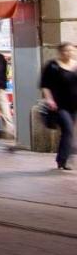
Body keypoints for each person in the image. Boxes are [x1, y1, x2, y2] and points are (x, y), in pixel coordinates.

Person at [40, 42, 77, 171]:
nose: (69, 53)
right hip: (59, 105)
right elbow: (45, 85)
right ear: (60, 52)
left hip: (74, 105)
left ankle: (62, 158)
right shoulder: (52, 66)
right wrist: (49, 100)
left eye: (72, 50)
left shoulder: (76, 65)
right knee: (68, 130)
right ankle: (64, 160)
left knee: (68, 133)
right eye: (66, 50)